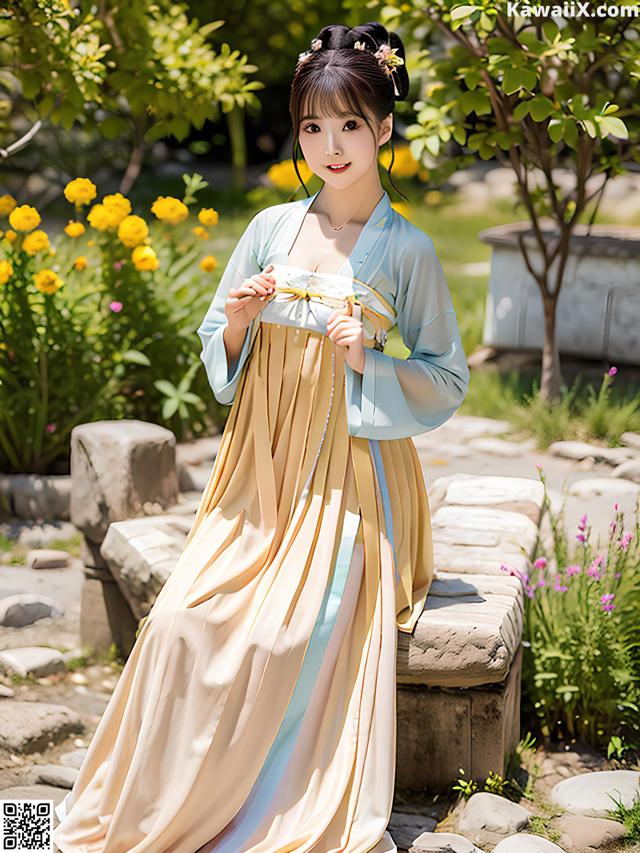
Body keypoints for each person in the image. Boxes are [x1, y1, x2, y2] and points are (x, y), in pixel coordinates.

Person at [52, 20, 469, 853]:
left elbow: (448, 375)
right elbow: (221, 339)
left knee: (286, 630)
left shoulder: (409, 249)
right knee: (179, 622)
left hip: (351, 479)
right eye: (313, 126)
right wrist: (239, 323)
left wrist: (368, 358)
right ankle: (141, 811)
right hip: (256, 476)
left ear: (384, 127)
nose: (330, 144)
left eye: (350, 123)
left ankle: (260, 812)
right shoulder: (272, 227)